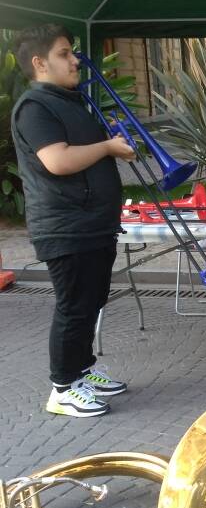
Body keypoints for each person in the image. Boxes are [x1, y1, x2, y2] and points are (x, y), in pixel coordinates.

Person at [11, 24, 136, 417]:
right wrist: (107, 147)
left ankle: (81, 371)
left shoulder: (67, 101)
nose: (75, 60)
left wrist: (109, 143)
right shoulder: (35, 107)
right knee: (74, 306)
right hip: (66, 225)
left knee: (91, 302)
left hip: (92, 223)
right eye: (65, 53)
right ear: (39, 62)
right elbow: (58, 161)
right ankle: (62, 389)